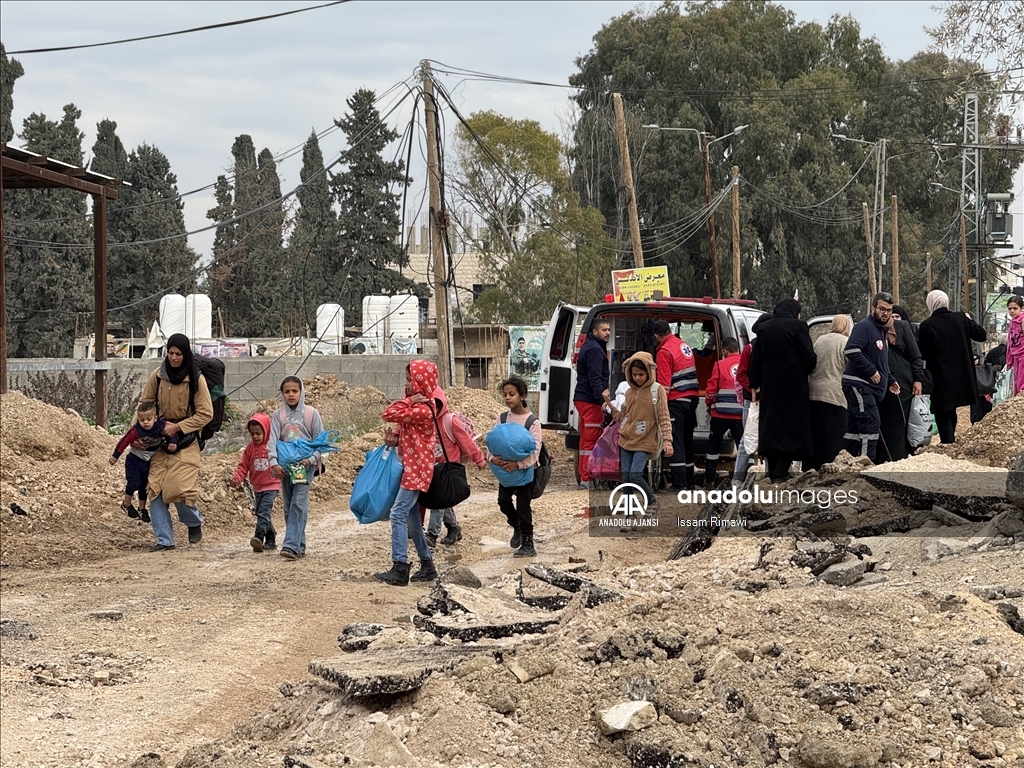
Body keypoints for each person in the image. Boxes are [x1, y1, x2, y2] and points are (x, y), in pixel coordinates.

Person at [136, 333, 213, 551]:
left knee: (179, 489)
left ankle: (193, 521)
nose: (174, 358)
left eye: (178, 354)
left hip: (186, 442)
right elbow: (144, 404)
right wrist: (136, 434)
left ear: (185, 354)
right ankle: (164, 540)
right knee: (156, 489)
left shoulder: (196, 379)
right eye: (170, 353)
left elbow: (206, 413)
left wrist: (178, 427)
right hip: (159, 441)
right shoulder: (158, 376)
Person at [375, 361, 439, 585]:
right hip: (411, 469)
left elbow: (388, 413)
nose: (407, 384)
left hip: (416, 471)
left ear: (422, 381)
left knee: (397, 514)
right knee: (411, 519)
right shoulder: (417, 409)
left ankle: (400, 567)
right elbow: (411, 437)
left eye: (410, 379)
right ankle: (427, 564)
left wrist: (409, 400)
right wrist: (395, 440)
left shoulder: (421, 409)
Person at [749, 299, 817, 482]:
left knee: (771, 425)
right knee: (793, 427)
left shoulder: (764, 329)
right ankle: (781, 470)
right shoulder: (798, 327)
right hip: (794, 386)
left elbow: (756, 360)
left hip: (770, 385)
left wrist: (753, 384)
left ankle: (773, 470)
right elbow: (809, 358)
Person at [604, 352, 672, 507]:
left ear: (649, 371)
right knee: (626, 478)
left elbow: (664, 417)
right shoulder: (629, 392)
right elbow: (620, 416)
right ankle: (629, 514)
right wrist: (608, 402)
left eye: (641, 374)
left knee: (634, 475)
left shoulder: (657, 390)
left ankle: (651, 501)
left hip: (646, 441)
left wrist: (667, 441)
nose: (638, 378)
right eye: (634, 374)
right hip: (626, 440)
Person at [918, 289, 987, 443]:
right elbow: (981, 335)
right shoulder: (960, 318)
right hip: (962, 374)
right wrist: (970, 320)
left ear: (930, 304)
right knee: (952, 408)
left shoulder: (926, 325)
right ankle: (950, 441)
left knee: (942, 409)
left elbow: (922, 353)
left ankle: (947, 441)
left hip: (940, 375)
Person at [267, 376, 324, 560]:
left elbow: (320, 442)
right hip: (285, 467)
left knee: (298, 503)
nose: (291, 395)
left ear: (301, 392)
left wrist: (311, 460)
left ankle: (290, 545)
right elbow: (273, 440)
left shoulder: (311, 413)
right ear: (282, 393)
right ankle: (299, 546)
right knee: (288, 506)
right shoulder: (279, 415)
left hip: (304, 466)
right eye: (287, 391)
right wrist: (274, 463)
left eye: (295, 391)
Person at [425, 386, 487, 549]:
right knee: (443, 500)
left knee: (439, 500)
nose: (432, 409)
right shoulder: (425, 423)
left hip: (448, 468)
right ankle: (453, 527)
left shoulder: (449, 421)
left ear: (441, 404)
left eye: (434, 405)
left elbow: (466, 442)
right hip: (433, 469)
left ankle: (432, 534)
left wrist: (479, 459)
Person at [841, 293, 898, 461]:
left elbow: (880, 361)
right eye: (882, 309)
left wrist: (890, 379)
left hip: (868, 387)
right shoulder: (865, 327)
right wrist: (871, 371)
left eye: (889, 310)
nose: (885, 313)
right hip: (859, 385)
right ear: (873, 307)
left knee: (854, 429)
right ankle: (866, 466)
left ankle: (848, 462)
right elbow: (851, 350)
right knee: (870, 424)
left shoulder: (881, 331)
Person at [490, 376, 542, 557]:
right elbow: (493, 442)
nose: (507, 398)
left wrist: (518, 464)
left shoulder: (532, 422)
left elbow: (535, 450)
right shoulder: (502, 418)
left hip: (525, 472)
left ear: (522, 395)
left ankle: (528, 543)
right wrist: (492, 459)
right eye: (505, 394)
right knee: (503, 501)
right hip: (505, 472)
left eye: (511, 394)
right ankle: (517, 525)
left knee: (523, 506)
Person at [109, 400, 177, 523]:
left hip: (148, 461)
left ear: (155, 418)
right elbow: (123, 441)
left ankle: (141, 508)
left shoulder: (161, 426)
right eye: (142, 420)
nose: (145, 422)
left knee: (144, 486)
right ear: (138, 419)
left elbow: (172, 432)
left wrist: (173, 442)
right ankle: (126, 504)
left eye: (148, 419)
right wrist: (115, 456)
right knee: (133, 483)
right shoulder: (136, 430)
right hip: (134, 460)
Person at [652, 319, 699, 489]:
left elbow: (664, 384)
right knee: (687, 441)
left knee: (676, 441)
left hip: (677, 400)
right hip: (691, 398)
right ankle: (689, 482)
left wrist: (659, 406)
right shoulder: (682, 345)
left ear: (657, 336)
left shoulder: (664, 351)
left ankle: (679, 484)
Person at [877, 305, 925, 462]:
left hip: (903, 386)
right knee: (883, 424)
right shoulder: (871, 328)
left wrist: (918, 379)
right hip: (880, 386)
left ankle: (901, 459)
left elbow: (915, 356)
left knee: (901, 424)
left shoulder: (903, 328)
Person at [230, 413, 281, 552]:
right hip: (257, 487)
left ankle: (258, 536)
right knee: (261, 513)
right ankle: (271, 538)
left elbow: (281, 460)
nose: (255, 437)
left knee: (264, 511)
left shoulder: (273, 446)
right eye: (252, 434)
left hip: (272, 484)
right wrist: (237, 478)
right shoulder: (249, 449)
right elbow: (243, 466)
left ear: (266, 430)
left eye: (258, 433)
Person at [806, 316, 851, 471]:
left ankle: (812, 467)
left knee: (817, 434)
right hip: (835, 394)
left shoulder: (820, 339)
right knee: (833, 437)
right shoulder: (845, 342)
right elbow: (850, 367)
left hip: (814, 393)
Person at [573, 319, 610, 489]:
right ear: (595, 332)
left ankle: (584, 478)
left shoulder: (591, 346)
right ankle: (587, 480)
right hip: (590, 400)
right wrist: (601, 401)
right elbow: (595, 377)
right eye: (604, 330)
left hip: (583, 398)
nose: (607, 332)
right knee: (591, 440)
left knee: (585, 441)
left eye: (609, 329)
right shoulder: (595, 350)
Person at [703, 338, 743, 487]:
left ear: (725, 351)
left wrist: (708, 403)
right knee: (744, 447)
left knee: (713, 447)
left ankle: (709, 480)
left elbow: (711, 389)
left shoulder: (719, 365)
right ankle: (745, 480)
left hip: (720, 414)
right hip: (740, 414)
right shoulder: (746, 363)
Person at [1006, 295, 1024, 396]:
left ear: (1021, 308)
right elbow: (1009, 343)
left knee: (1021, 383)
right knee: (1016, 382)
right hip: (1015, 356)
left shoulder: (1022, 320)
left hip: (1023, 355)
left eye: (1015, 308)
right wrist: (1009, 361)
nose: (1012, 311)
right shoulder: (1012, 323)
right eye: (1010, 308)